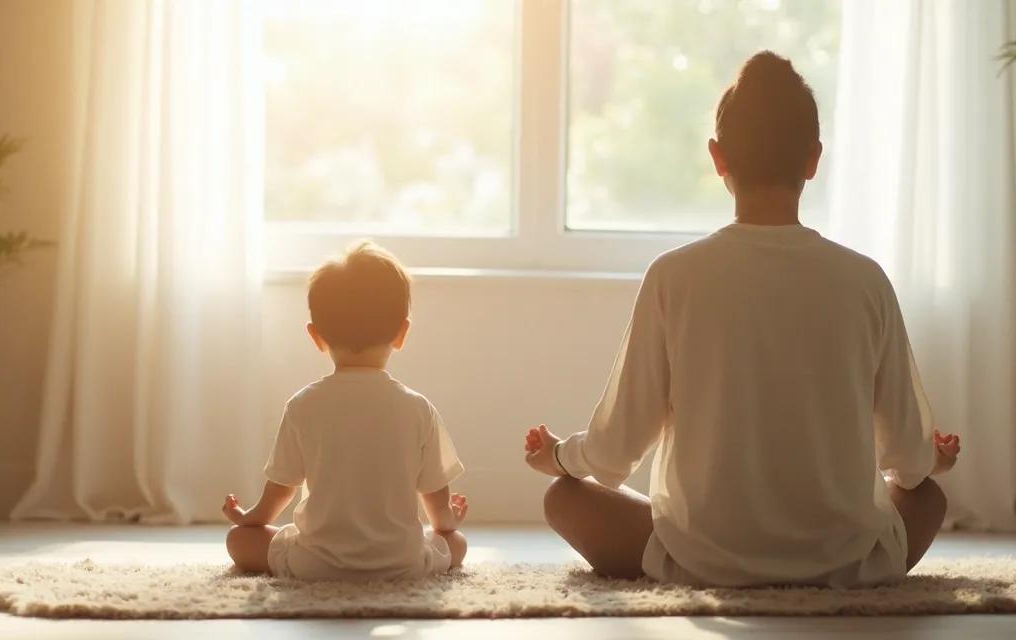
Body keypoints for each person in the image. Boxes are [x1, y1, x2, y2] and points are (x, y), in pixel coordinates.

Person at [522, 51, 961, 587]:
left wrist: (561, 458)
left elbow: (615, 447)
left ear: (718, 157)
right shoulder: (866, 280)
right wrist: (930, 461)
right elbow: (909, 464)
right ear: (814, 160)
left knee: (562, 499)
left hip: (701, 559)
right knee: (929, 499)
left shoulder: (673, 276)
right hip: (846, 561)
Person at [222, 241, 469, 580]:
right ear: (402, 332)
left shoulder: (303, 405)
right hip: (401, 563)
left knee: (239, 540)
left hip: (315, 564)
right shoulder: (418, 409)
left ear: (316, 336)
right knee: (455, 543)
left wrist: (250, 517)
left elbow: (281, 489)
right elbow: (436, 497)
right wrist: (447, 523)